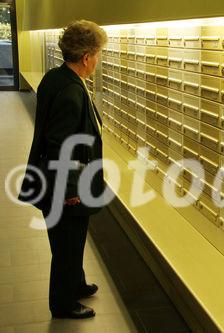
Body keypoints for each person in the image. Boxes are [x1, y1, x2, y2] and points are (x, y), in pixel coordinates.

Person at [18, 20, 108, 319]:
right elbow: (61, 148)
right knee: (67, 243)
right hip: (65, 182)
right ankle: (63, 303)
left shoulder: (56, 77)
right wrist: (69, 191)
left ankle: (77, 283)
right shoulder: (71, 92)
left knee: (72, 237)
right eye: (97, 54)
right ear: (86, 57)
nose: (98, 60)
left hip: (59, 176)